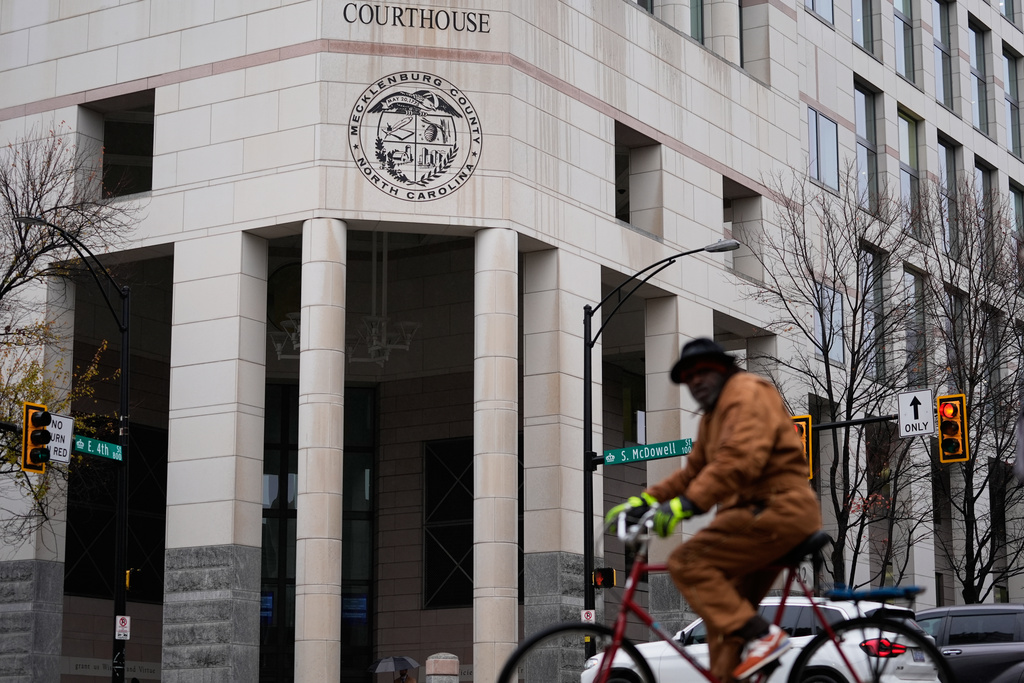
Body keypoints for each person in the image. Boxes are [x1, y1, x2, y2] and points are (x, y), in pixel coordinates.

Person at [608, 338, 822, 682]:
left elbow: (738, 460)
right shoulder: (712, 419)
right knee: (725, 630)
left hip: (776, 510)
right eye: (689, 376)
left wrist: (687, 504)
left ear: (724, 369)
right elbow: (692, 472)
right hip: (756, 518)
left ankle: (765, 637)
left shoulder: (747, 392)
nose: (696, 380)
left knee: (687, 561)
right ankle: (747, 654)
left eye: (704, 371)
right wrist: (646, 500)